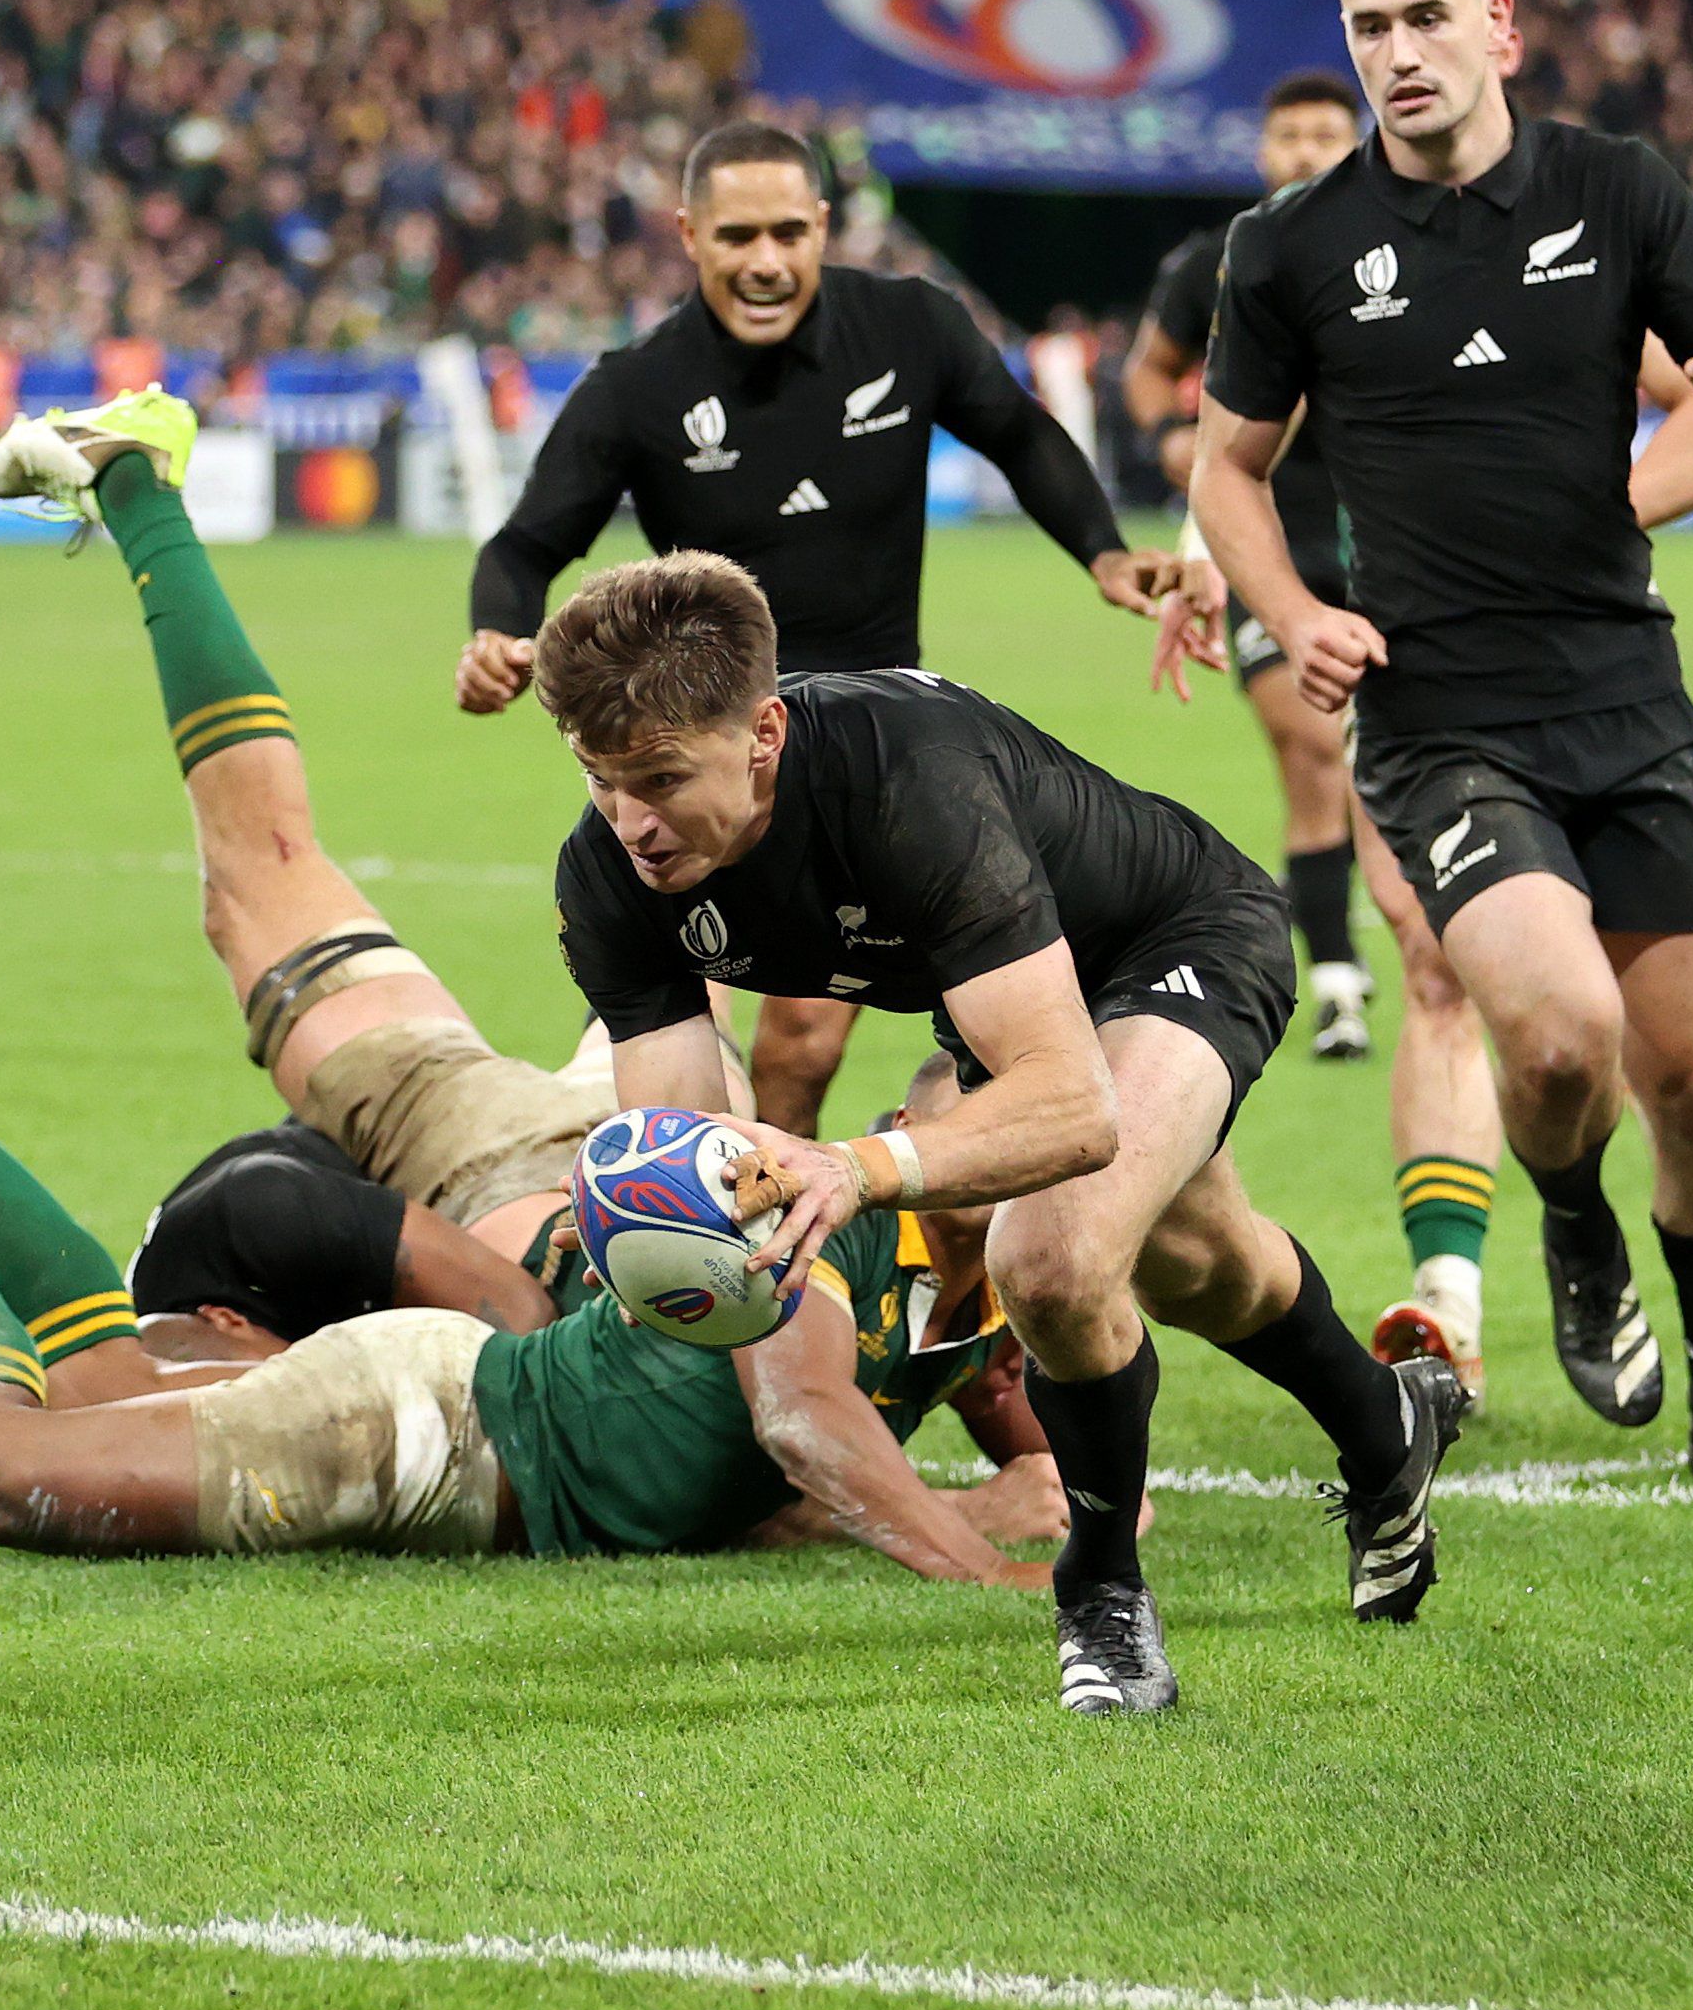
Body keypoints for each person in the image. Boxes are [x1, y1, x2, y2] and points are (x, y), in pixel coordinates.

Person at [531, 550, 1466, 1716]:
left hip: (1177, 938)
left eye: (662, 777)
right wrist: (652, 1225)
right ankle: (1390, 1422)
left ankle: (1102, 1596)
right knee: (1199, 1262)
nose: (631, 820)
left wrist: (858, 1167)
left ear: (763, 731)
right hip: (1011, 998)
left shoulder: (902, 776)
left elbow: (1075, 1105)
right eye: (599, 777)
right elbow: (687, 1133)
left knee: (1052, 1257)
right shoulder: (610, 873)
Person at [1188, 0, 1693, 1494]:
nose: (1397, 53)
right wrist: (1287, 610)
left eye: (1423, 18)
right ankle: (1567, 1220)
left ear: (1497, 23)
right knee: (1555, 1037)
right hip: (1437, 717)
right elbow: (1225, 472)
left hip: (1623, 694)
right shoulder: (1291, 246)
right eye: (1367, 26)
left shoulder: (1614, 190)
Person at [0, 980, 1071, 1578]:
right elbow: (804, 1427)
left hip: (461, 1423)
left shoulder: (983, 1295)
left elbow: (1023, 1438)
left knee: (92, 1384)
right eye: (1013, 1151)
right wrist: (986, 1559)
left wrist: (1044, 1485)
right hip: (429, 1430)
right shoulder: (817, 1215)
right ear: (929, 1144)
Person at [459, 120, 1183, 1144]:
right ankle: (692, 1220)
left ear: (825, 228)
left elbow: (1018, 434)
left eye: (789, 232)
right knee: (677, 1015)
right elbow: (527, 542)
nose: (766, 260)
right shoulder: (640, 385)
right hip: (700, 748)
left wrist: (1107, 553)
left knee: (802, 1040)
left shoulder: (910, 327)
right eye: (738, 235)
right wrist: (497, 630)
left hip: (865, 757)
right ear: (689, 235)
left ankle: (784, 1229)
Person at [1123, 71, 1389, 1064]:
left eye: (1328, 132)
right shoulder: (1216, 262)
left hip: (1388, 536)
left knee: (1366, 758)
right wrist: (1167, 437)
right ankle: (1334, 978)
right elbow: (1149, 368)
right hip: (1262, 539)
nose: (1308, 150)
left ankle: (1363, 949)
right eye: (1291, 134)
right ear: (1263, 150)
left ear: (1357, 142)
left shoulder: (1399, 249)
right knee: (1312, 740)